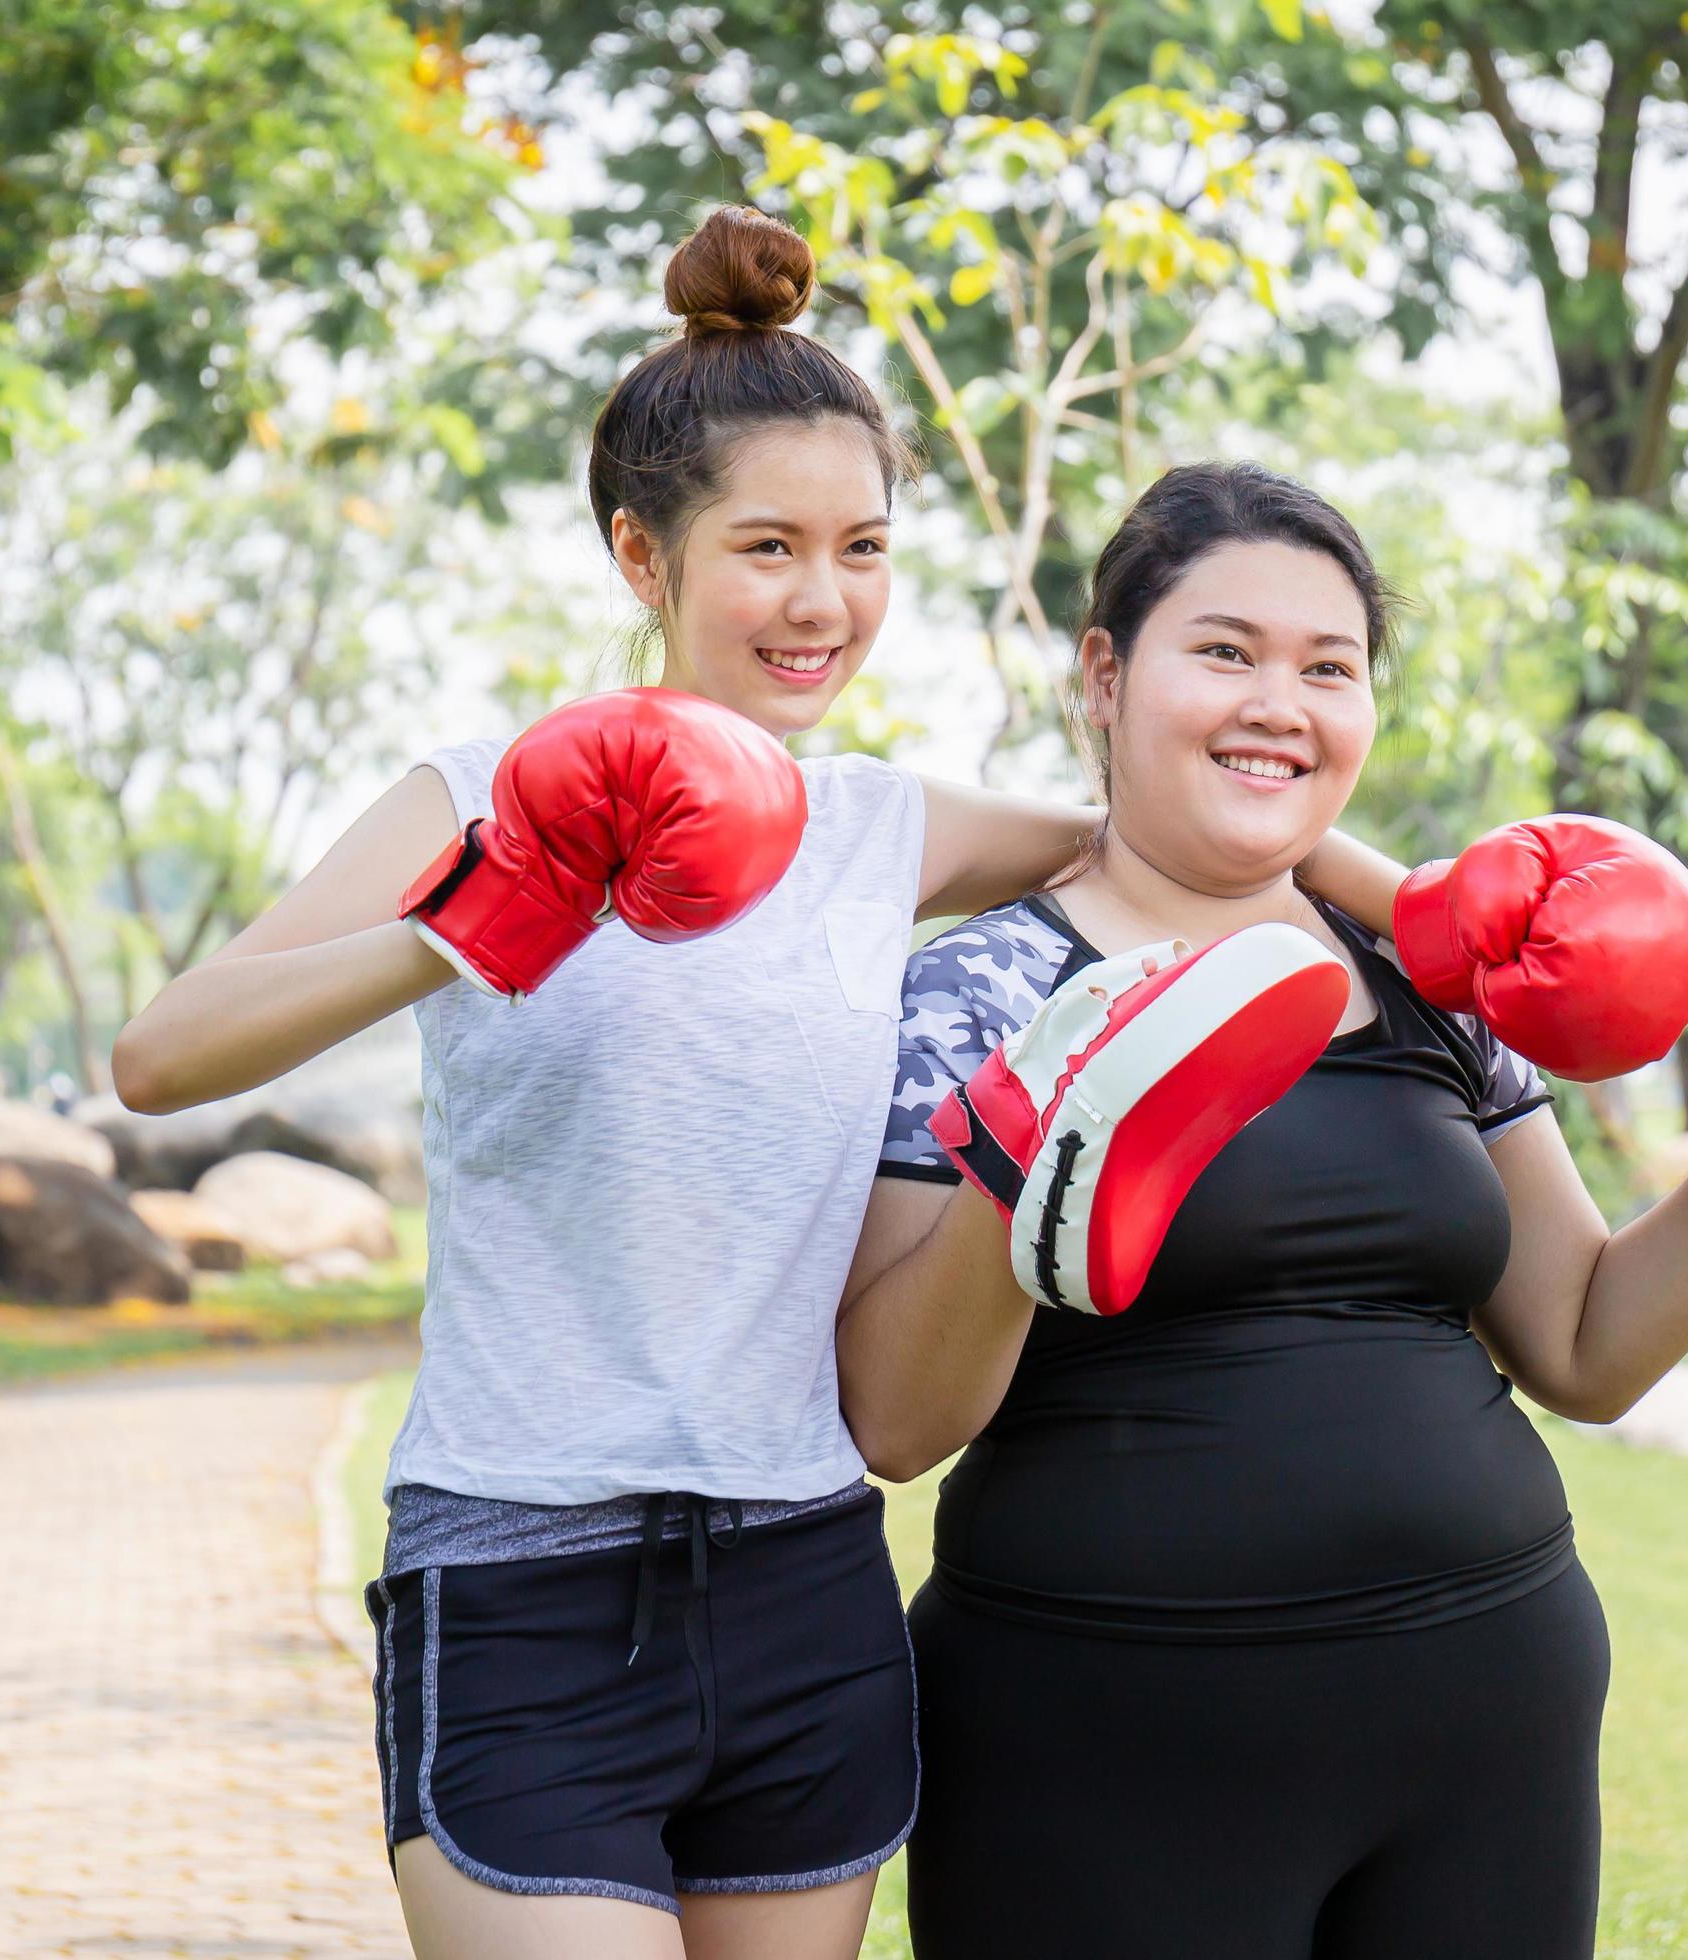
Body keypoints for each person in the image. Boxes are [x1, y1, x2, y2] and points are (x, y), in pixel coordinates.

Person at [112, 218, 1410, 1960]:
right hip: (519, 1572)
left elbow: (1184, 820)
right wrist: (482, 918)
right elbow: (162, 1056)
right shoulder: (476, 789)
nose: (823, 601)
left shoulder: (879, 828)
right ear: (644, 554)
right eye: (770, 547)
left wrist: (1462, 911)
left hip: (804, 1577)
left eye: (863, 549)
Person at [838, 461, 1688, 1959]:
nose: (1280, 700)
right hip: (1111, 1729)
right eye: (1224, 651)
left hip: (1488, 1704)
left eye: (1327, 668)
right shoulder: (981, 989)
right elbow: (896, 1420)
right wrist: (1026, 1160)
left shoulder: (1433, 981)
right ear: (1104, 674)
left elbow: (1585, 1346)